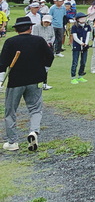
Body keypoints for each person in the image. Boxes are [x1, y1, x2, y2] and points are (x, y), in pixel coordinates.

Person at [0, 16, 56, 152]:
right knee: (35, 109)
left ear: (17, 29)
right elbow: (50, 56)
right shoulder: (39, 40)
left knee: (10, 111)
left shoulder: (10, 42)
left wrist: (1, 80)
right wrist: (44, 70)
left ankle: (12, 142)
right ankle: (34, 132)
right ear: (30, 28)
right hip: (35, 80)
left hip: (16, 82)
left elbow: (2, 63)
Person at [70, 13, 91, 84]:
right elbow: (75, 37)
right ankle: (73, 77)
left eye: (84, 18)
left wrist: (86, 43)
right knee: (75, 62)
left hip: (85, 45)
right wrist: (81, 43)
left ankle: (80, 75)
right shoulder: (74, 27)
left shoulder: (87, 26)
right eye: (81, 18)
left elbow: (88, 35)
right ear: (78, 19)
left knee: (83, 62)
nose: (83, 19)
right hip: (77, 45)